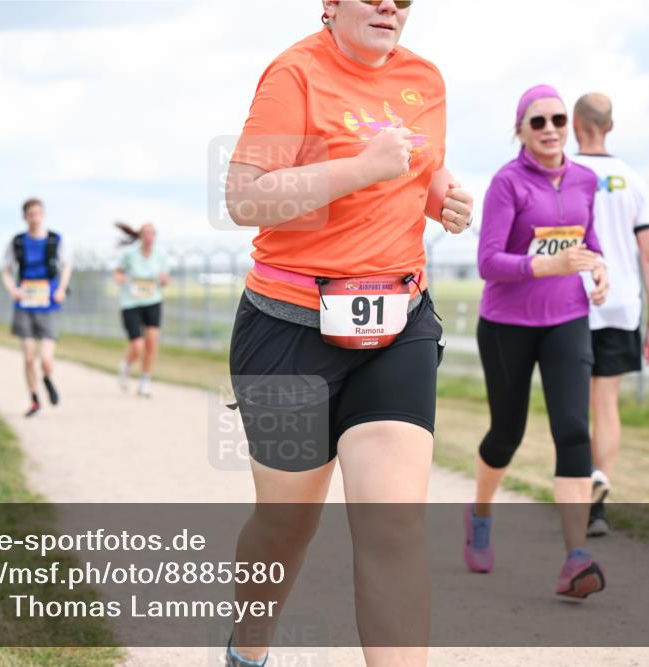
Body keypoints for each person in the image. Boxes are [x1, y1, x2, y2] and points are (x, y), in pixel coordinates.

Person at [225, 1, 473, 665]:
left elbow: (420, 172)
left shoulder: (427, 78)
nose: (391, 4)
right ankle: (248, 645)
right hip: (288, 329)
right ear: (331, 5)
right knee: (287, 522)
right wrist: (361, 167)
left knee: (392, 523)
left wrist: (444, 197)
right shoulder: (296, 74)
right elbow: (245, 197)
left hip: (398, 323)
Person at [468, 84, 609, 599]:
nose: (550, 129)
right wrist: (547, 265)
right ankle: (480, 513)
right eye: (538, 122)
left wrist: (598, 268)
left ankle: (576, 557)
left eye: (557, 120)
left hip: (566, 319)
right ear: (521, 130)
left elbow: (586, 240)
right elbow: (488, 263)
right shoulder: (507, 184)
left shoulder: (586, 180)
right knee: (507, 432)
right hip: (507, 325)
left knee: (573, 430)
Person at [572, 93, 649, 536]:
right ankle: (598, 504)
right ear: (610, 126)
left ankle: (572, 495)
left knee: (571, 402)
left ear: (574, 125)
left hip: (571, 301)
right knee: (605, 404)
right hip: (621, 304)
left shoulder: (566, 172)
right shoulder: (632, 179)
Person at [1, 198, 72, 417]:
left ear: (43, 215)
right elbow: (6, 270)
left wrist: (61, 288)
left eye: (38, 213)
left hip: (48, 302)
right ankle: (34, 399)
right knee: (29, 357)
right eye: (30, 214)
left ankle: (47, 378)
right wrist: (13, 288)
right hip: (25, 302)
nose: (35, 218)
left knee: (46, 359)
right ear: (25, 216)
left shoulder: (55, 240)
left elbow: (66, 265)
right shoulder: (18, 242)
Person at [113, 222, 169, 397]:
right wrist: (121, 278)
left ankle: (144, 381)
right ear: (140, 236)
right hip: (131, 303)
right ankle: (127, 366)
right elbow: (118, 271)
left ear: (155, 236)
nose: (149, 237)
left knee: (151, 343)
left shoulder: (161, 255)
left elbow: (166, 278)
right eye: (145, 233)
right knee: (138, 346)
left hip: (153, 301)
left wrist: (163, 280)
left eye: (152, 233)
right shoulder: (130, 255)